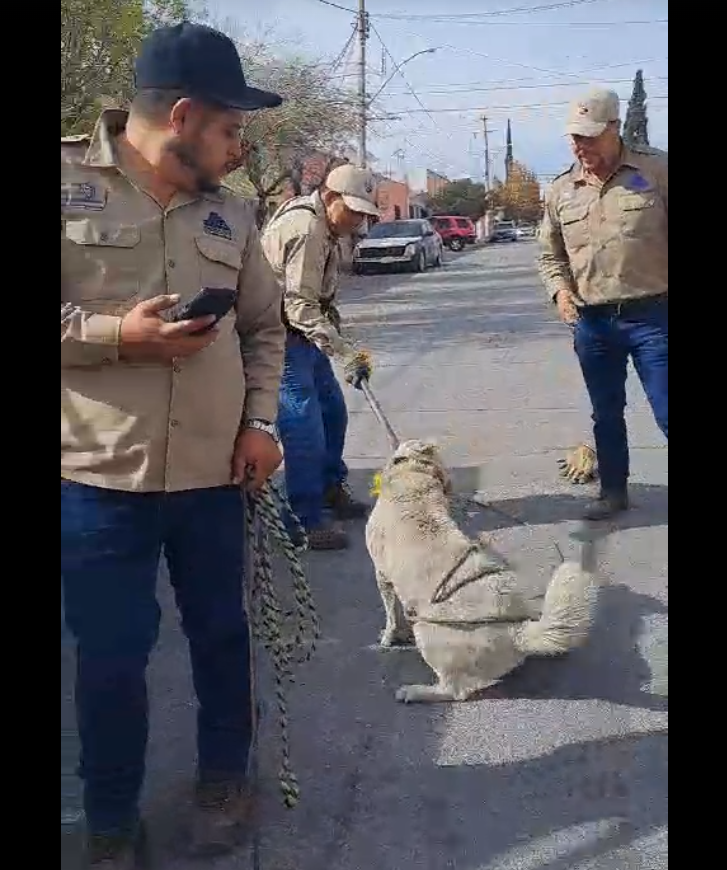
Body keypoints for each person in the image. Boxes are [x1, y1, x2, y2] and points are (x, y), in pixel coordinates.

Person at [61, 23, 287, 868]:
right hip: (97, 479)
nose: (237, 148)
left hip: (211, 475)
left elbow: (265, 328)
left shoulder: (233, 211)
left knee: (222, 637)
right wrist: (116, 334)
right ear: (182, 116)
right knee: (110, 661)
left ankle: (225, 778)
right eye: (230, 129)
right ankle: (111, 819)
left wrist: (261, 423)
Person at [539, 88, 668, 521]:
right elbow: (550, 255)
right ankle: (613, 492)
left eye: (590, 136)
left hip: (654, 316)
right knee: (606, 413)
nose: (581, 146)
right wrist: (560, 291)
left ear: (615, 128)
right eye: (575, 137)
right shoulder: (561, 190)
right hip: (593, 322)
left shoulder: (657, 171)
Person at [261, 165, 379, 550]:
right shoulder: (306, 229)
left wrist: (342, 344)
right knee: (304, 428)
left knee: (333, 414)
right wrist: (343, 352)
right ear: (330, 198)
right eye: (353, 211)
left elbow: (320, 301)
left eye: (364, 213)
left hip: (305, 337)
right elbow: (298, 306)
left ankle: (329, 488)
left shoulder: (326, 227)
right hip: (280, 336)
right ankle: (303, 520)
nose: (358, 221)